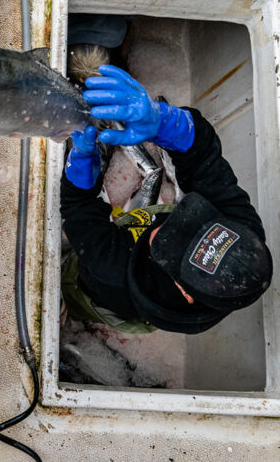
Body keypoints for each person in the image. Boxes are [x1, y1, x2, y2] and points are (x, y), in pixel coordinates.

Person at [60, 64, 273, 334]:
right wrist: (167, 123)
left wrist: (79, 180)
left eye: (171, 240)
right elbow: (204, 157)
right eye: (192, 220)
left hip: (99, 293)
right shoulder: (243, 230)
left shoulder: (113, 272)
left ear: (184, 291)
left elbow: (79, 209)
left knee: (76, 289)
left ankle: (76, 306)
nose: (161, 227)